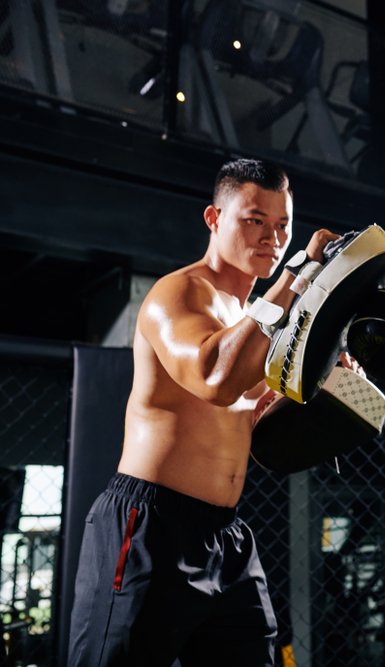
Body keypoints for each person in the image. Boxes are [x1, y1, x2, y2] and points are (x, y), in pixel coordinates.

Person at [68, 159, 340, 666]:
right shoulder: (179, 294)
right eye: (254, 220)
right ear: (214, 219)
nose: (272, 238)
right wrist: (299, 277)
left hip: (226, 536)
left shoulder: (253, 321)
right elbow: (216, 377)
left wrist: (326, 374)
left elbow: (257, 416)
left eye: (282, 224)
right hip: (149, 524)